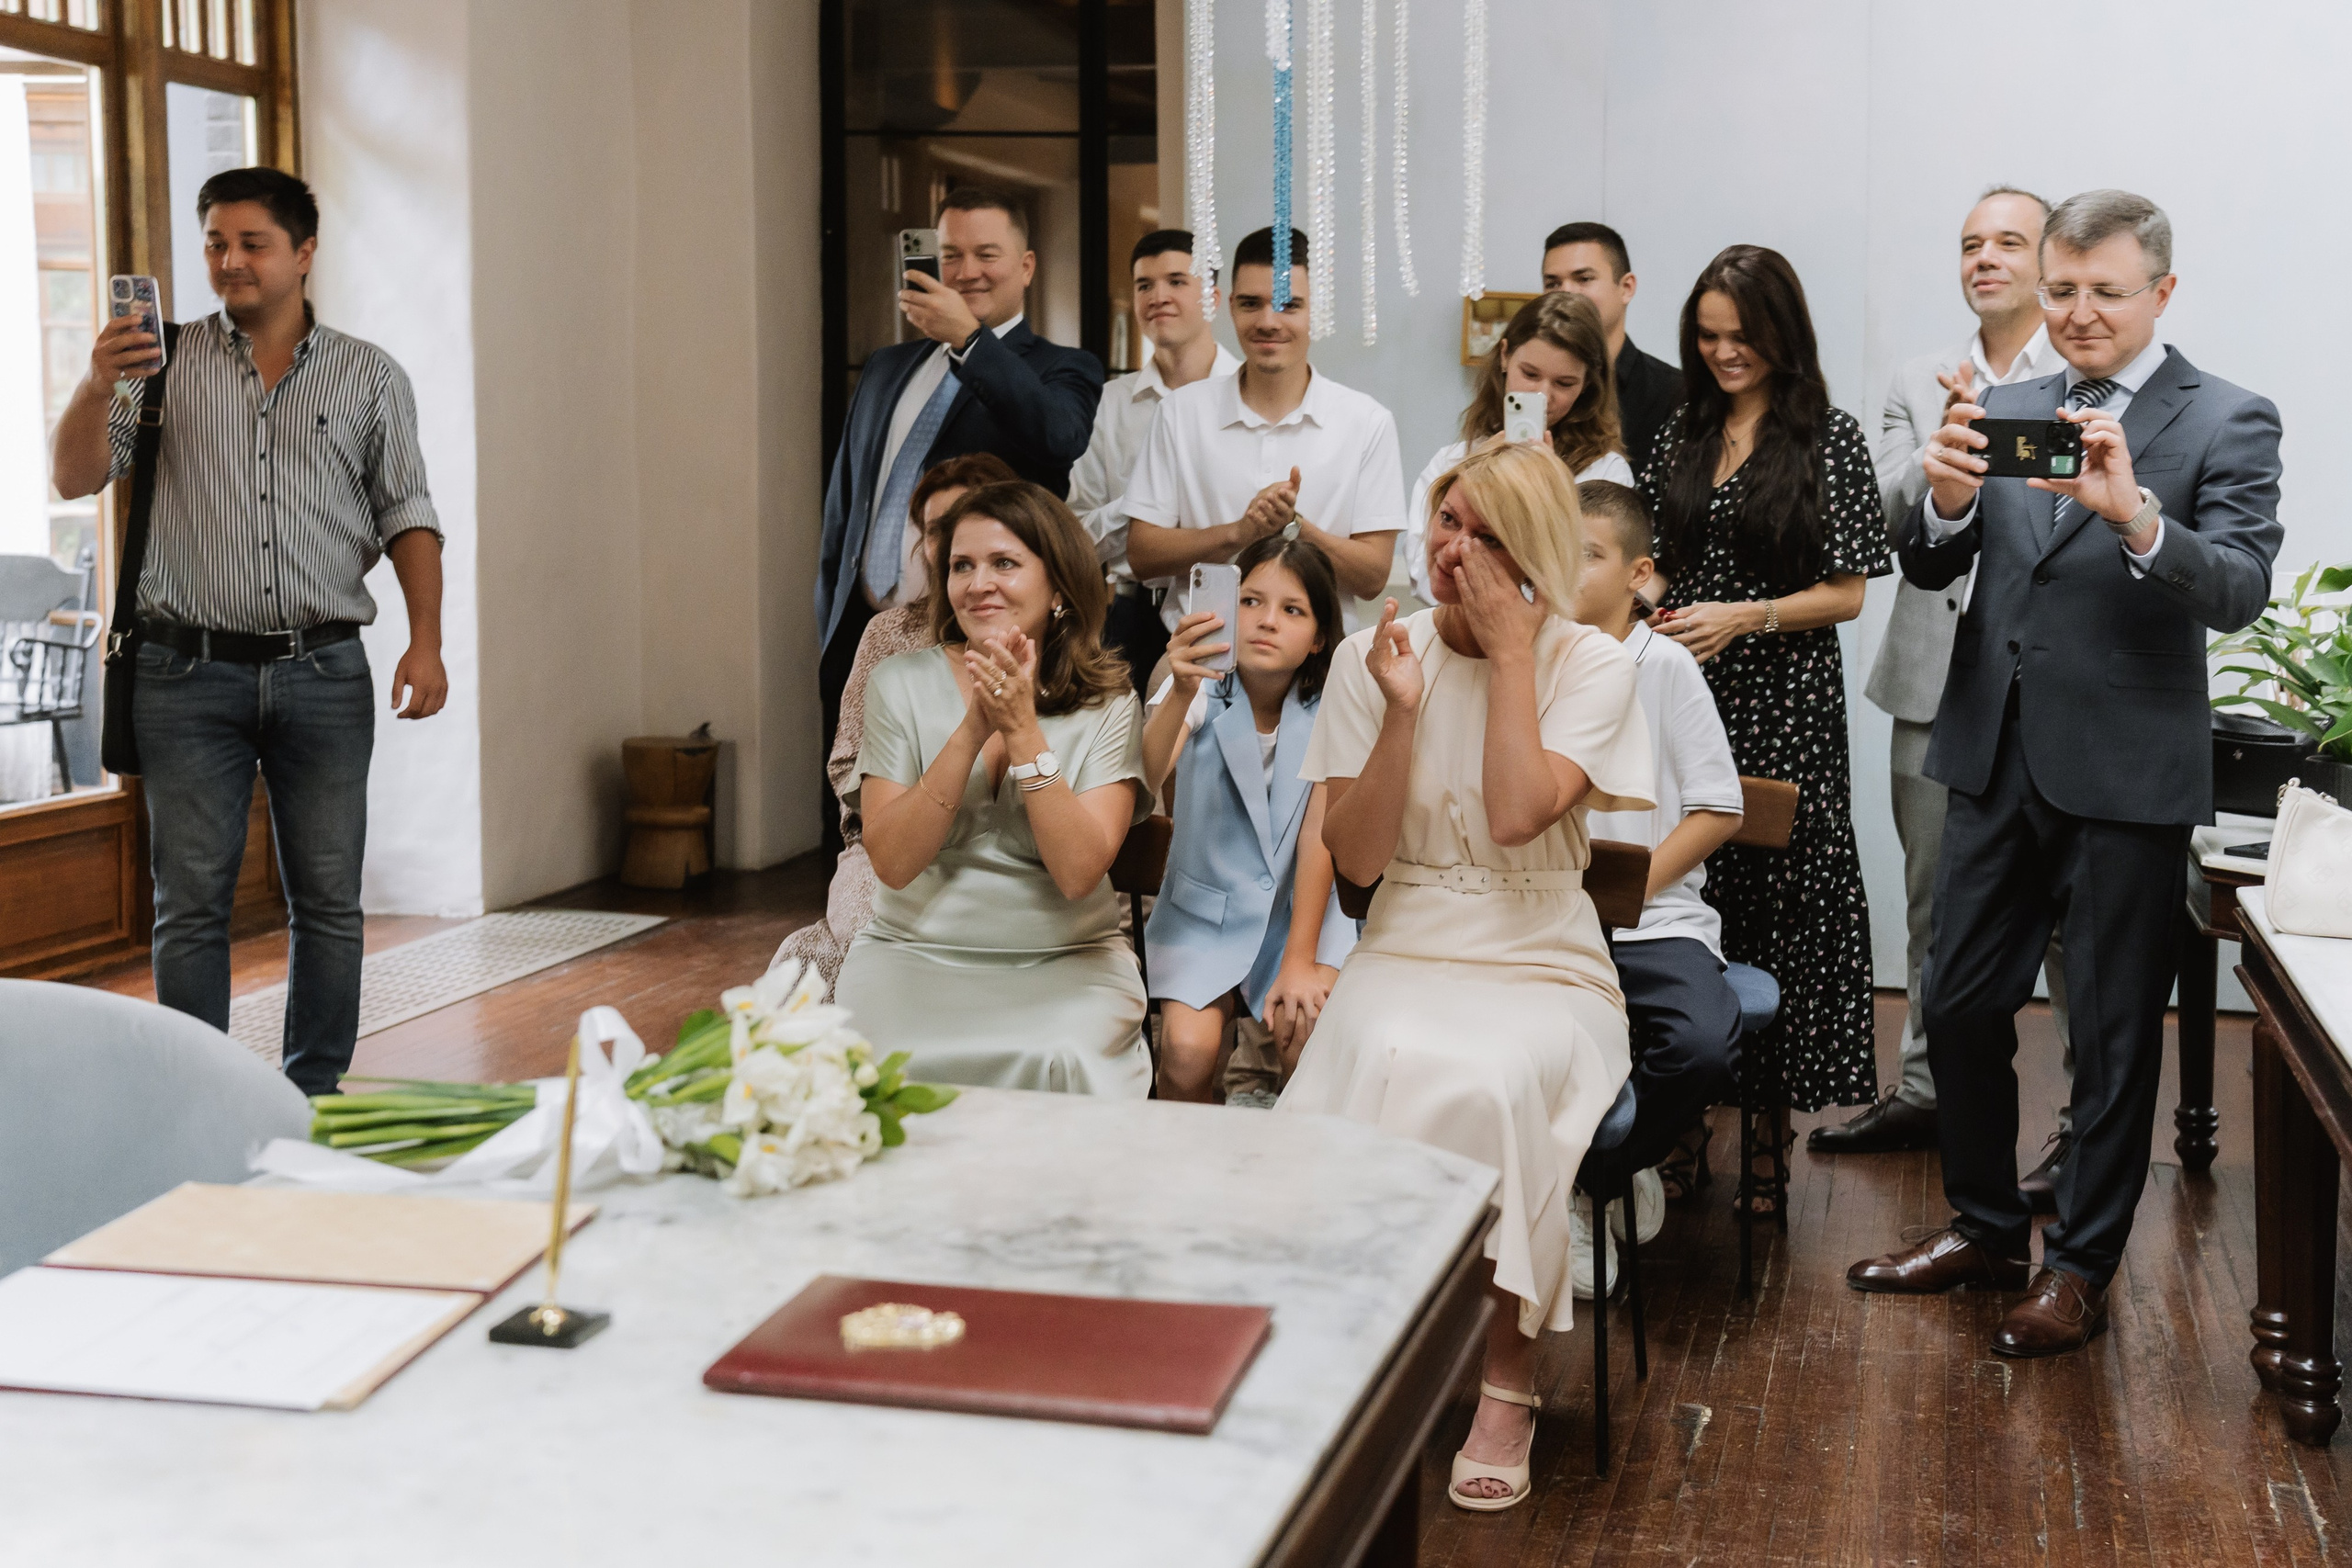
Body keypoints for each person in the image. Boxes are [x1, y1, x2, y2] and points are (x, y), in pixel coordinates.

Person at [1849, 192, 2283, 1358]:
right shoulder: (2008, 405)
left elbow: (2239, 587)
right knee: (1955, 1000)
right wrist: (1942, 499)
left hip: (2125, 772)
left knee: (2108, 1029)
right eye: (2061, 290)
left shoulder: (2226, 418)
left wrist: (2135, 517)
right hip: (1990, 752)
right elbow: (1943, 554)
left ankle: (2078, 1268)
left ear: (2161, 293)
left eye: (2105, 290)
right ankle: (1987, 1229)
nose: (2079, 312)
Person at [1279, 443, 1655, 1513]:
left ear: (1534, 549)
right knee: (1374, 1052)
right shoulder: (1372, 657)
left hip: (1539, 958)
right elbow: (1353, 860)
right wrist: (1399, 707)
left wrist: (1514, 654)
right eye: (1448, 522)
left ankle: (1506, 1381)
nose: (1458, 550)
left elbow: (1513, 813)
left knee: (1488, 1077)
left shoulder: (1593, 664)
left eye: (1489, 535)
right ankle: (1357, 1348)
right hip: (1403, 941)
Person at [48, 167, 446, 1099]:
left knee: (329, 900)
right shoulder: (160, 364)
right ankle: (204, 1098)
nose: (230, 262)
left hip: (326, 672)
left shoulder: (369, 376)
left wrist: (425, 642)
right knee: (189, 906)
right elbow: (72, 478)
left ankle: (312, 1092)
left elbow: (408, 516)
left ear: (303, 253)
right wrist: (97, 378)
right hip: (184, 676)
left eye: (252, 243)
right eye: (215, 244)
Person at [1815, 186, 2077, 1189]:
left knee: (2062, 924)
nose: (1985, 258)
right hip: (1934, 679)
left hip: (2052, 686)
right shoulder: (1917, 377)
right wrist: (1939, 461)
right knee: (1937, 905)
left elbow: (2067, 507)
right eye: (1970, 244)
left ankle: (2074, 1130)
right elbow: (1881, 519)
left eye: (2007, 241)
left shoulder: (2080, 370)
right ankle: (1925, 1091)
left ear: (2047, 256)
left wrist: (1997, 445)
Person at [1638, 244, 1888, 1209]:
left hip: (1784, 700)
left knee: (1779, 905)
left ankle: (1769, 1135)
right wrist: (1641, 603)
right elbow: (1657, 563)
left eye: (1741, 337)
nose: (1722, 353)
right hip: (1681, 691)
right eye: (1706, 337)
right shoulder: (1679, 434)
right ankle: (1685, 1112)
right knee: (1692, 901)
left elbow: (1848, 594)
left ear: (1782, 334)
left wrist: (1743, 617)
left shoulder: (1830, 435)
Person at [836, 480, 1152, 1096]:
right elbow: (894, 864)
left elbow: (1078, 871)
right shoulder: (898, 684)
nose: (979, 582)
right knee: (880, 1051)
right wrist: (971, 731)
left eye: (1004, 562)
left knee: (1062, 1053)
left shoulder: (1110, 702)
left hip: (1067, 960)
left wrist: (1024, 730)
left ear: (1058, 584)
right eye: (961, 565)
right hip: (912, 952)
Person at [814, 186, 1104, 852]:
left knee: (966, 824)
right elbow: (847, 503)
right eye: (951, 255)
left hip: (974, 634)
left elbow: (1058, 435)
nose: (967, 270)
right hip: (867, 630)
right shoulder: (886, 368)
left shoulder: (1064, 368)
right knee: (865, 821)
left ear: (1026, 266)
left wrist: (970, 341)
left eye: (986, 254)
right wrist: (831, 603)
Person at [769, 453, 1018, 996]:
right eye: (935, 531)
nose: (950, 543)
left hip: (1002, 846)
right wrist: (903, 802)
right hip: (886, 840)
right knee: (861, 944)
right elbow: (845, 762)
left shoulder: (1039, 641)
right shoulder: (889, 635)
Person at [1573, 481, 1745, 1212]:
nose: (1561, 568)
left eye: (1587, 554)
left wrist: (1633, 887)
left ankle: (1598, 1179)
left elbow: (1719, 808)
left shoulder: (1666, 665)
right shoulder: (1522, 658)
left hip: (1654, 919)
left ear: (1638, 575)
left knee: (1703, 1044)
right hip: (1545, 919)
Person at [1141, 536, 1355, 1102]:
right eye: (1251, 601)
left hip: (1300, 914)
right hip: (1203, 914)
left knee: (1303, 1037)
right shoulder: (1195, 686)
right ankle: (1185, 1173)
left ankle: (1291, 1175)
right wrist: (1182, 683)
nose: (1266, 622)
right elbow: (1142, 777)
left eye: (1292, 610)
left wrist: (1301, 960)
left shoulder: (1335, 705)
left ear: (1319, 639)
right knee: (1186, 1057)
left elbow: (1319, 839)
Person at [1120, 227, 1406, 627]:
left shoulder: (1366, 422)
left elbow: (1373, 577)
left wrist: (1296, 528)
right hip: (1200, 654)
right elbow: (1142, 555)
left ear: (1316, 310)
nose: (1268, 322)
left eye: (1289, 305)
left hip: (1320, 665)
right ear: (1231, 306)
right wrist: (1239, 532)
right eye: (1252, 304)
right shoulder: (1181, 413)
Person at [1067, 230, 1241, 693]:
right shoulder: (1110, 403)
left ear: (1213, 296)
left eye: (1177, 281)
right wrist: (1145, 505)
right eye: (1144, 285)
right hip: (1130, 616)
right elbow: (1077, 537)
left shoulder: (1249, 394)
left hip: (1231, 606)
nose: (1158, 297)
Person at [1403, 291, 1635, 603]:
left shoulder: (1606, 471)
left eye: (1564, 383)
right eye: (1529, 374)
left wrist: (1548, 492)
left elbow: (1588, 586)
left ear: (1587, 385)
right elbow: (1422, 571)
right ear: (1504, 356)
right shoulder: (1454, 461)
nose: (1543, 394)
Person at [1543, 221, 1681, 470]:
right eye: (1552, 283)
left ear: (1626, 288)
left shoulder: (1673, 394)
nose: (1565, 294)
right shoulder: (1532, 387)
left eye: (1583, 279)